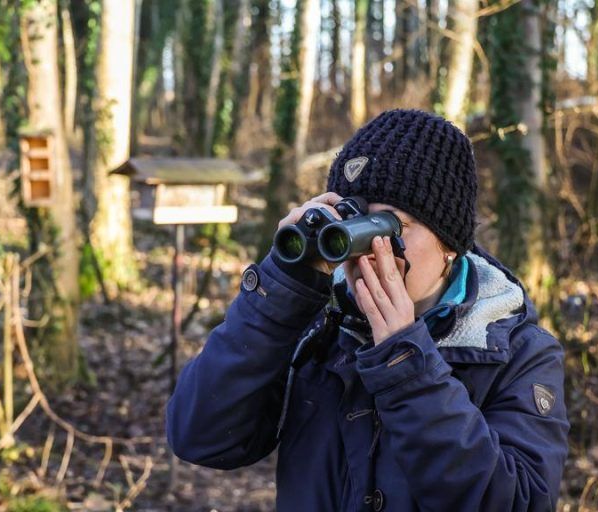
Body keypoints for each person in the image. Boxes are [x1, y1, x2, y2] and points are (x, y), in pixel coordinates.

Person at [166, 109, 569, 511]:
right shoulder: (318, 324)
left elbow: (520, 502)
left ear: (449, 245)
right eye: (352, 222)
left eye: (389, 227)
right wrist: (279, 292)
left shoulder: (518, 350)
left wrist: (405, 362)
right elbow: (201, 436)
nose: (365, 250)